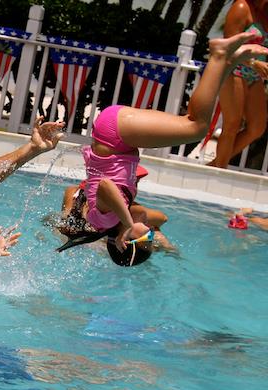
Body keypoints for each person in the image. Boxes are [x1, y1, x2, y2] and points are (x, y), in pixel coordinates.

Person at [78, 33, 267, 266]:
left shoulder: (104, 222)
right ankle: (229, 62)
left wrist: (128, 224)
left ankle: (219, 55)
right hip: (118, 135)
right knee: (193, 124)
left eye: (146, 239)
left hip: (114, 134)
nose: (150, 233)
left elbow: (106, 186)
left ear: (125, 242)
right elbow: (160, 217)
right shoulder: (115, 219)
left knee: (196, 127)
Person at [209, 0, 268, 168]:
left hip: (254, 75)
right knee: (232, 125)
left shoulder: (264, 12)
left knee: (257, 127)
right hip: (234, 69)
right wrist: (254, 63)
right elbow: (228, 48)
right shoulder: (241, 7)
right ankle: (219, 169)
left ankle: (215, 165)